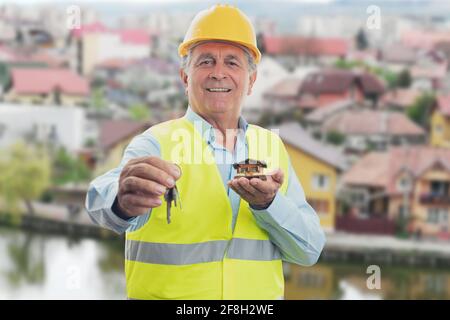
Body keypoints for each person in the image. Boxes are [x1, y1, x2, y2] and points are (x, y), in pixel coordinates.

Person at [85, 4, 326, 300]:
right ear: (185, 78)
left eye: (233, 63)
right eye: (206, 62)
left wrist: (270, 205)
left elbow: (309, 250)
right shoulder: (156, 143)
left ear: (251, 81)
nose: (218, 74)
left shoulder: (271, 147)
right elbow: (100, 198)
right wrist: (121, 201)